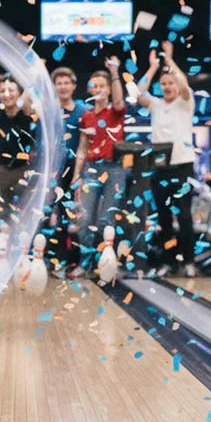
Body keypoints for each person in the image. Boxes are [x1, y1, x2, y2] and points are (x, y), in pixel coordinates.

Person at [136, 41, 198, 278]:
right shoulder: (157, 105)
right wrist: (152, 68)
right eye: (164, 84)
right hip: (160, 166)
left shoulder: (185, 103)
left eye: (170, 82)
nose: (167, 86)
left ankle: (189, 261)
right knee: (163, 216)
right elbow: (139, 93)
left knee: (183, 214)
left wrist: (170, 60)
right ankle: (167, 262)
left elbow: (184, 84)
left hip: (182, 165)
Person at [74, 58, 127, 271]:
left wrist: (114, 72)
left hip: (115, 169)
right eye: (94, 86)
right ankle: (84, 263)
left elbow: (120, 101)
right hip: (91, 170)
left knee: (107, 219)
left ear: (109, 89)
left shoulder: (116, 112)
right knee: (84, 218)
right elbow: (82, 148)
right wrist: (78, 175)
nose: (98, 89)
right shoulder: (86, 116)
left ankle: (106, 265)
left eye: (102, 86)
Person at [48, 66, 86, 275]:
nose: (63, 87)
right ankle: (59, 260)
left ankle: (79, 262)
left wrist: (81, 174)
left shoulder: (83, 111)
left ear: (73, 86)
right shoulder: (50, 110)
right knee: (59, 217)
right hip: (55, 170)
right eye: (58, 83)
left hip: (78, 170)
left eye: (66, 83)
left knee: (79, 217)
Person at [0, 74, 36, 204]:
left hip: (23, 169)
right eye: (2, 91)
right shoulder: (0, 114)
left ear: (19, 93)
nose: (6, 94)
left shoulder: (26, 111)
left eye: (11, 90)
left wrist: (33, 71)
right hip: (2, 168)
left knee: (21, 209)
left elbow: (28, 92)